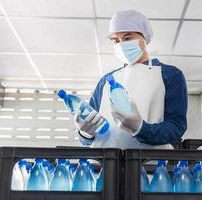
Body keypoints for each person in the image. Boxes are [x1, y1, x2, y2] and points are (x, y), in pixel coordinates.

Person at [74, 10, 188, 149]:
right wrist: (85, 133)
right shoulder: (105, 81)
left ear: (144, 37)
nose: (121, 44)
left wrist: (141, 129)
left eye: (127, 38)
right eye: (115, 40)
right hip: (104, 164)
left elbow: (176, 127)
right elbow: (88, 138)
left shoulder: (170, 75)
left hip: (147, 165)